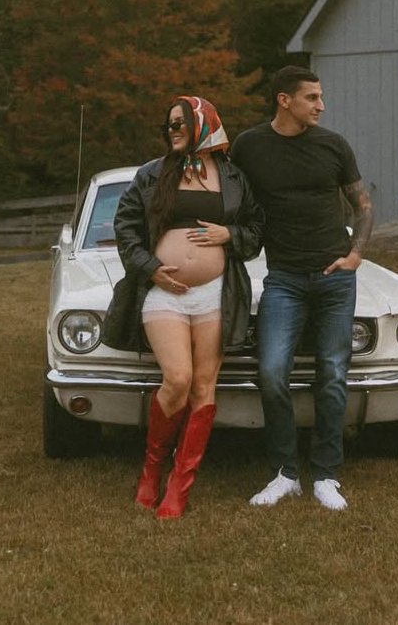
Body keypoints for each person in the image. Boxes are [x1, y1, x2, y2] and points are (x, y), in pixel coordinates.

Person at [231, 65, 373, 511]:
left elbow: (363, 205)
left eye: (320, 96)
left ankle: (326, 475)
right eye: (312, 97)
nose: (321, 105)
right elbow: (227, 196)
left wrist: (355, 254)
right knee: (272, 372)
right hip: (284, 279)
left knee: (332, 373)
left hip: (335, 278)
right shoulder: (249, 146)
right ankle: (285, 473)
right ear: (284, 100)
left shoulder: (333, 145)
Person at [113, 95, 262, 519]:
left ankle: (180, 485)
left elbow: (256, 228)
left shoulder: (232, 177)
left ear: (203, 124)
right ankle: (151, 470)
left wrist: (229, 235)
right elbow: (126, 226)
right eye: (169, 125)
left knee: (203, 386)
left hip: (216, 293)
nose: (172, 131)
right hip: (165, 293)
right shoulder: (152, 173)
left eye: (179, 123)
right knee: (177, 379)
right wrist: (150, 268)